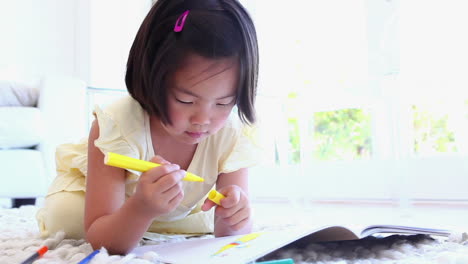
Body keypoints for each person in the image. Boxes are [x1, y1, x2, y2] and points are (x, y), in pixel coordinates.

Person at [36, 0, 260, 255]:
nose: (202, 119)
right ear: (151, 76)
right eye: (185, 100)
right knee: (68, 217)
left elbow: (229, 234)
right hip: (107, 202)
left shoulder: (231, 133)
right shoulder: (117, 125)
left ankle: (159, 220)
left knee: (206, 219)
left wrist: (234, 216)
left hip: (178, 208)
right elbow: (102, 242)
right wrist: (141, 208)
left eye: (224, 102)